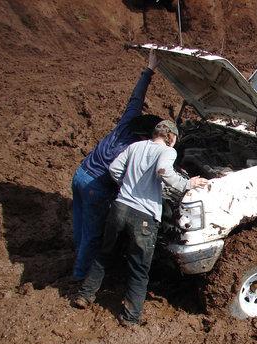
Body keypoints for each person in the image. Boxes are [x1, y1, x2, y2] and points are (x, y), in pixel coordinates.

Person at [72, 120, 209, 326]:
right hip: (144, 216)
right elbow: (164, 171)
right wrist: (188, 183)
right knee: (139, 268)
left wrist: (126, 185)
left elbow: (114, 169)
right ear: (170, 137)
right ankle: (130, 317)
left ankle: (84, 295)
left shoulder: (135, 146)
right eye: (175, 139)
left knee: (104, 254)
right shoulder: (168, 152)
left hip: (119, 208)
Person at [71, 49, 160, 281]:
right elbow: (121, 175)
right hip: (96, 186)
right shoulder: (133, 149)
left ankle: (76, 257)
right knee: (93, 234)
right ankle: (80, 276)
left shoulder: (126, 123)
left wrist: (149, 69)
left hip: (80, 173)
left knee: (80, 223)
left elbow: (136, 98)